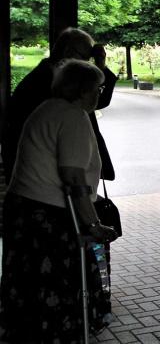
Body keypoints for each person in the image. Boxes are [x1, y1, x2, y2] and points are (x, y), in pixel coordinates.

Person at [0, 59, 119, 342]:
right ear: (82, 90)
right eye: (97, 89)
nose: (99, 95)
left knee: (29, 286)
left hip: (25, 209)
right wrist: (93, 224)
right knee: (60, 288)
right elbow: (74, 179)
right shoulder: (72, 116)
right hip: (49, 217)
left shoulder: (48, 108)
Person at [1, 28, 117, 183]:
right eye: (85, 58)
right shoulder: (49, 83)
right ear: (68, 51)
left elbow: (97, 102)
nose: (87, 64)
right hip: (43, 176)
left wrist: (100, 65)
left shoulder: (52, 76)